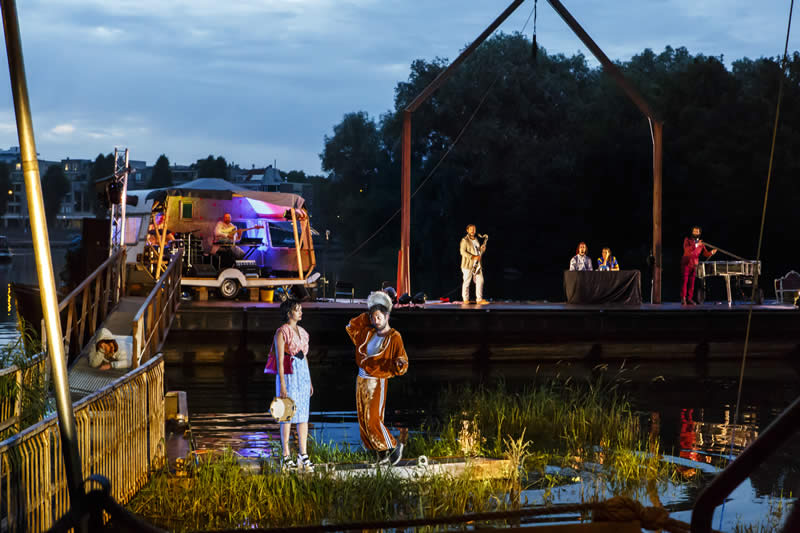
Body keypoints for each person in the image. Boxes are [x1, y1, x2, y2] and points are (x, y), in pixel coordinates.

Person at [346, 291, 408, 466]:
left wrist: (399, 363)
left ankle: (394, 446)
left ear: (387, 316)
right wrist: (369, 312)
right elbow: (351, 327)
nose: (376, 321)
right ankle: (382, 456)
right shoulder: (367, 332)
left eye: (379, 317)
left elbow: (402, 360)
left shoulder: (394, 337)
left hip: (376, 381)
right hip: (361, 379)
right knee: (364, 423)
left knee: (373, 419)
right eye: (373, 318)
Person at [264, 299, 314, 471]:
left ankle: (303, 454)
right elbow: (279, 360)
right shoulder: (281, 332)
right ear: (289, 313)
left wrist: (310, 380)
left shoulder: (303, 332)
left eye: (300, 309)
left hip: (302, 373)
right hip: (289, 372)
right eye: (297, 310)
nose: (300, 312)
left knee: (303, 415)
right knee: (287, 414)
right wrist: (282, 384)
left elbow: (304, 356)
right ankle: (285, 455)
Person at [681, 225, 716, 305]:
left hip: (694, 264)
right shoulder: (687, 240)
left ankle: (689, 298)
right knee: (684, 282)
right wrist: (696, 244)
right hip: (686, 263)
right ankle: (683, 298)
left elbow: (705, 253)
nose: (695, 233)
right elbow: (687, 250)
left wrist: (711, 252)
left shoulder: (701, 243)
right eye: (694, 231)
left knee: (692, 282)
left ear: (699, 233)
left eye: (697, 232)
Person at [460, 224, 488, 304]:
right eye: (471, 229)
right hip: (468, 264)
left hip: (477, 264)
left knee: (480, 280)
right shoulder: (464, 240)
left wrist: (482, 249)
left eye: (474, 229)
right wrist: (473, 257)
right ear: (467, 230)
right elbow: (462, 252)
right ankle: (465, 299)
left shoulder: (476, 239)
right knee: (467, 282)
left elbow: (477, 252)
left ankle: (479, 299)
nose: (473, 231)